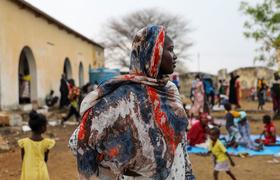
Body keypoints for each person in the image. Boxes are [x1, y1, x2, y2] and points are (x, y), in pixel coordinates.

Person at [68, 25, 195, 179]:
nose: (175, 56)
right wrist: (121, 163)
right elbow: (77, 142)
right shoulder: (123, 96)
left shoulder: (170, 90)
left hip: (178, 172)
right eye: (170, 49)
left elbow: (180, 139)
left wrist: (188, 174)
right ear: (152, 53)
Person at [18, 110, 55, 180]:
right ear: (42, 127)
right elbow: (45, 159)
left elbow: (23, 159)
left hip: (28, 174)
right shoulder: (47, 143)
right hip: (42, 174)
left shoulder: (24, 143)